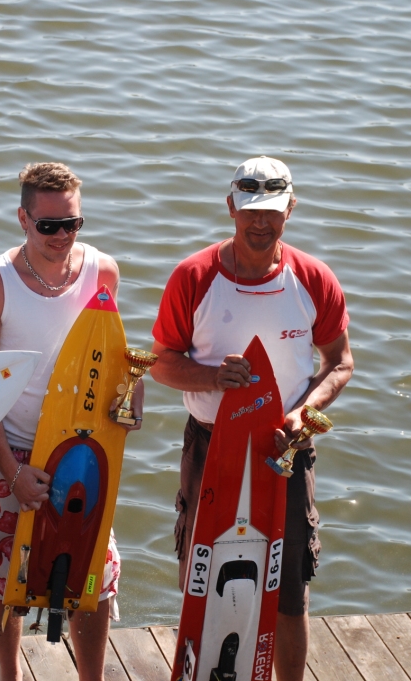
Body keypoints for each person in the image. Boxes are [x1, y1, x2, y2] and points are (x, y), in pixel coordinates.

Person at [150, 156, 353, 681]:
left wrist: (304, 412)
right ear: (230, 208)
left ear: (291, 209)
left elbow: (340, 363)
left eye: (272, 212)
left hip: (284, 450)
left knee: (289, 593)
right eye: (250, 211)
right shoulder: (193, 276)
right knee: (201, 584)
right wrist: (213, 377)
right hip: (211, 444)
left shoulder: (314, 278)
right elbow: (162, 363)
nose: (260, 223)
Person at [0, 162, 141, 681]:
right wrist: (12, 472)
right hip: (5, 447)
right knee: (1, 575)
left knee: (94, 572)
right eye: (49, 225)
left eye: (72, 224)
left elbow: (110, 354)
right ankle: (9, 674)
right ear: (23, 219)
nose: (62, 236)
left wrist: (131, 397)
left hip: (81, 447)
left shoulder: (103, 271)